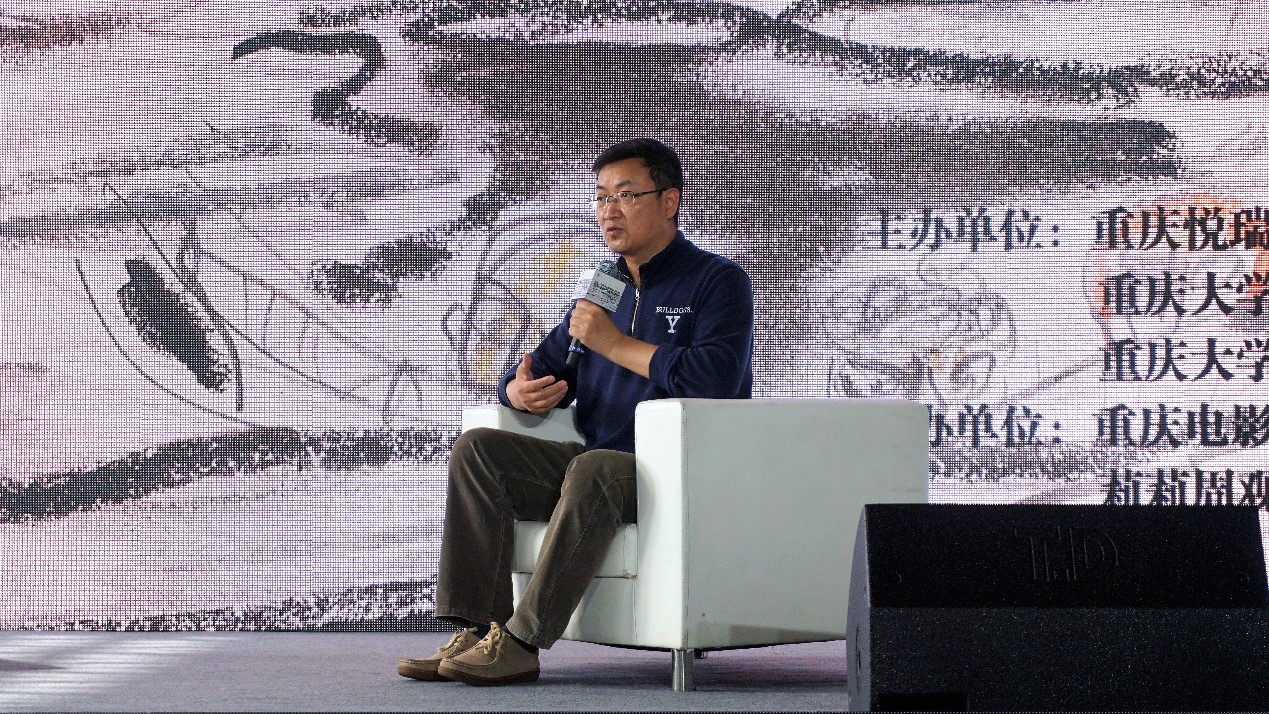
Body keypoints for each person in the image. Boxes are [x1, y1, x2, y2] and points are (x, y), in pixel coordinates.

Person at [397, 137, 754, 685]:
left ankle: (522, 642)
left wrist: (614, 344)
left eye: (626, 195)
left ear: (669, 201)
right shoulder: (604, 287)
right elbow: (545, 368)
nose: (610, 211)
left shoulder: (717, 281)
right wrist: (517, 392)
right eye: (602, 197)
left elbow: (716, 378)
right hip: (598, 464)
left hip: (677, 470)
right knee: (479, 450)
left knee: (596, 467)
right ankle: (479, 630)